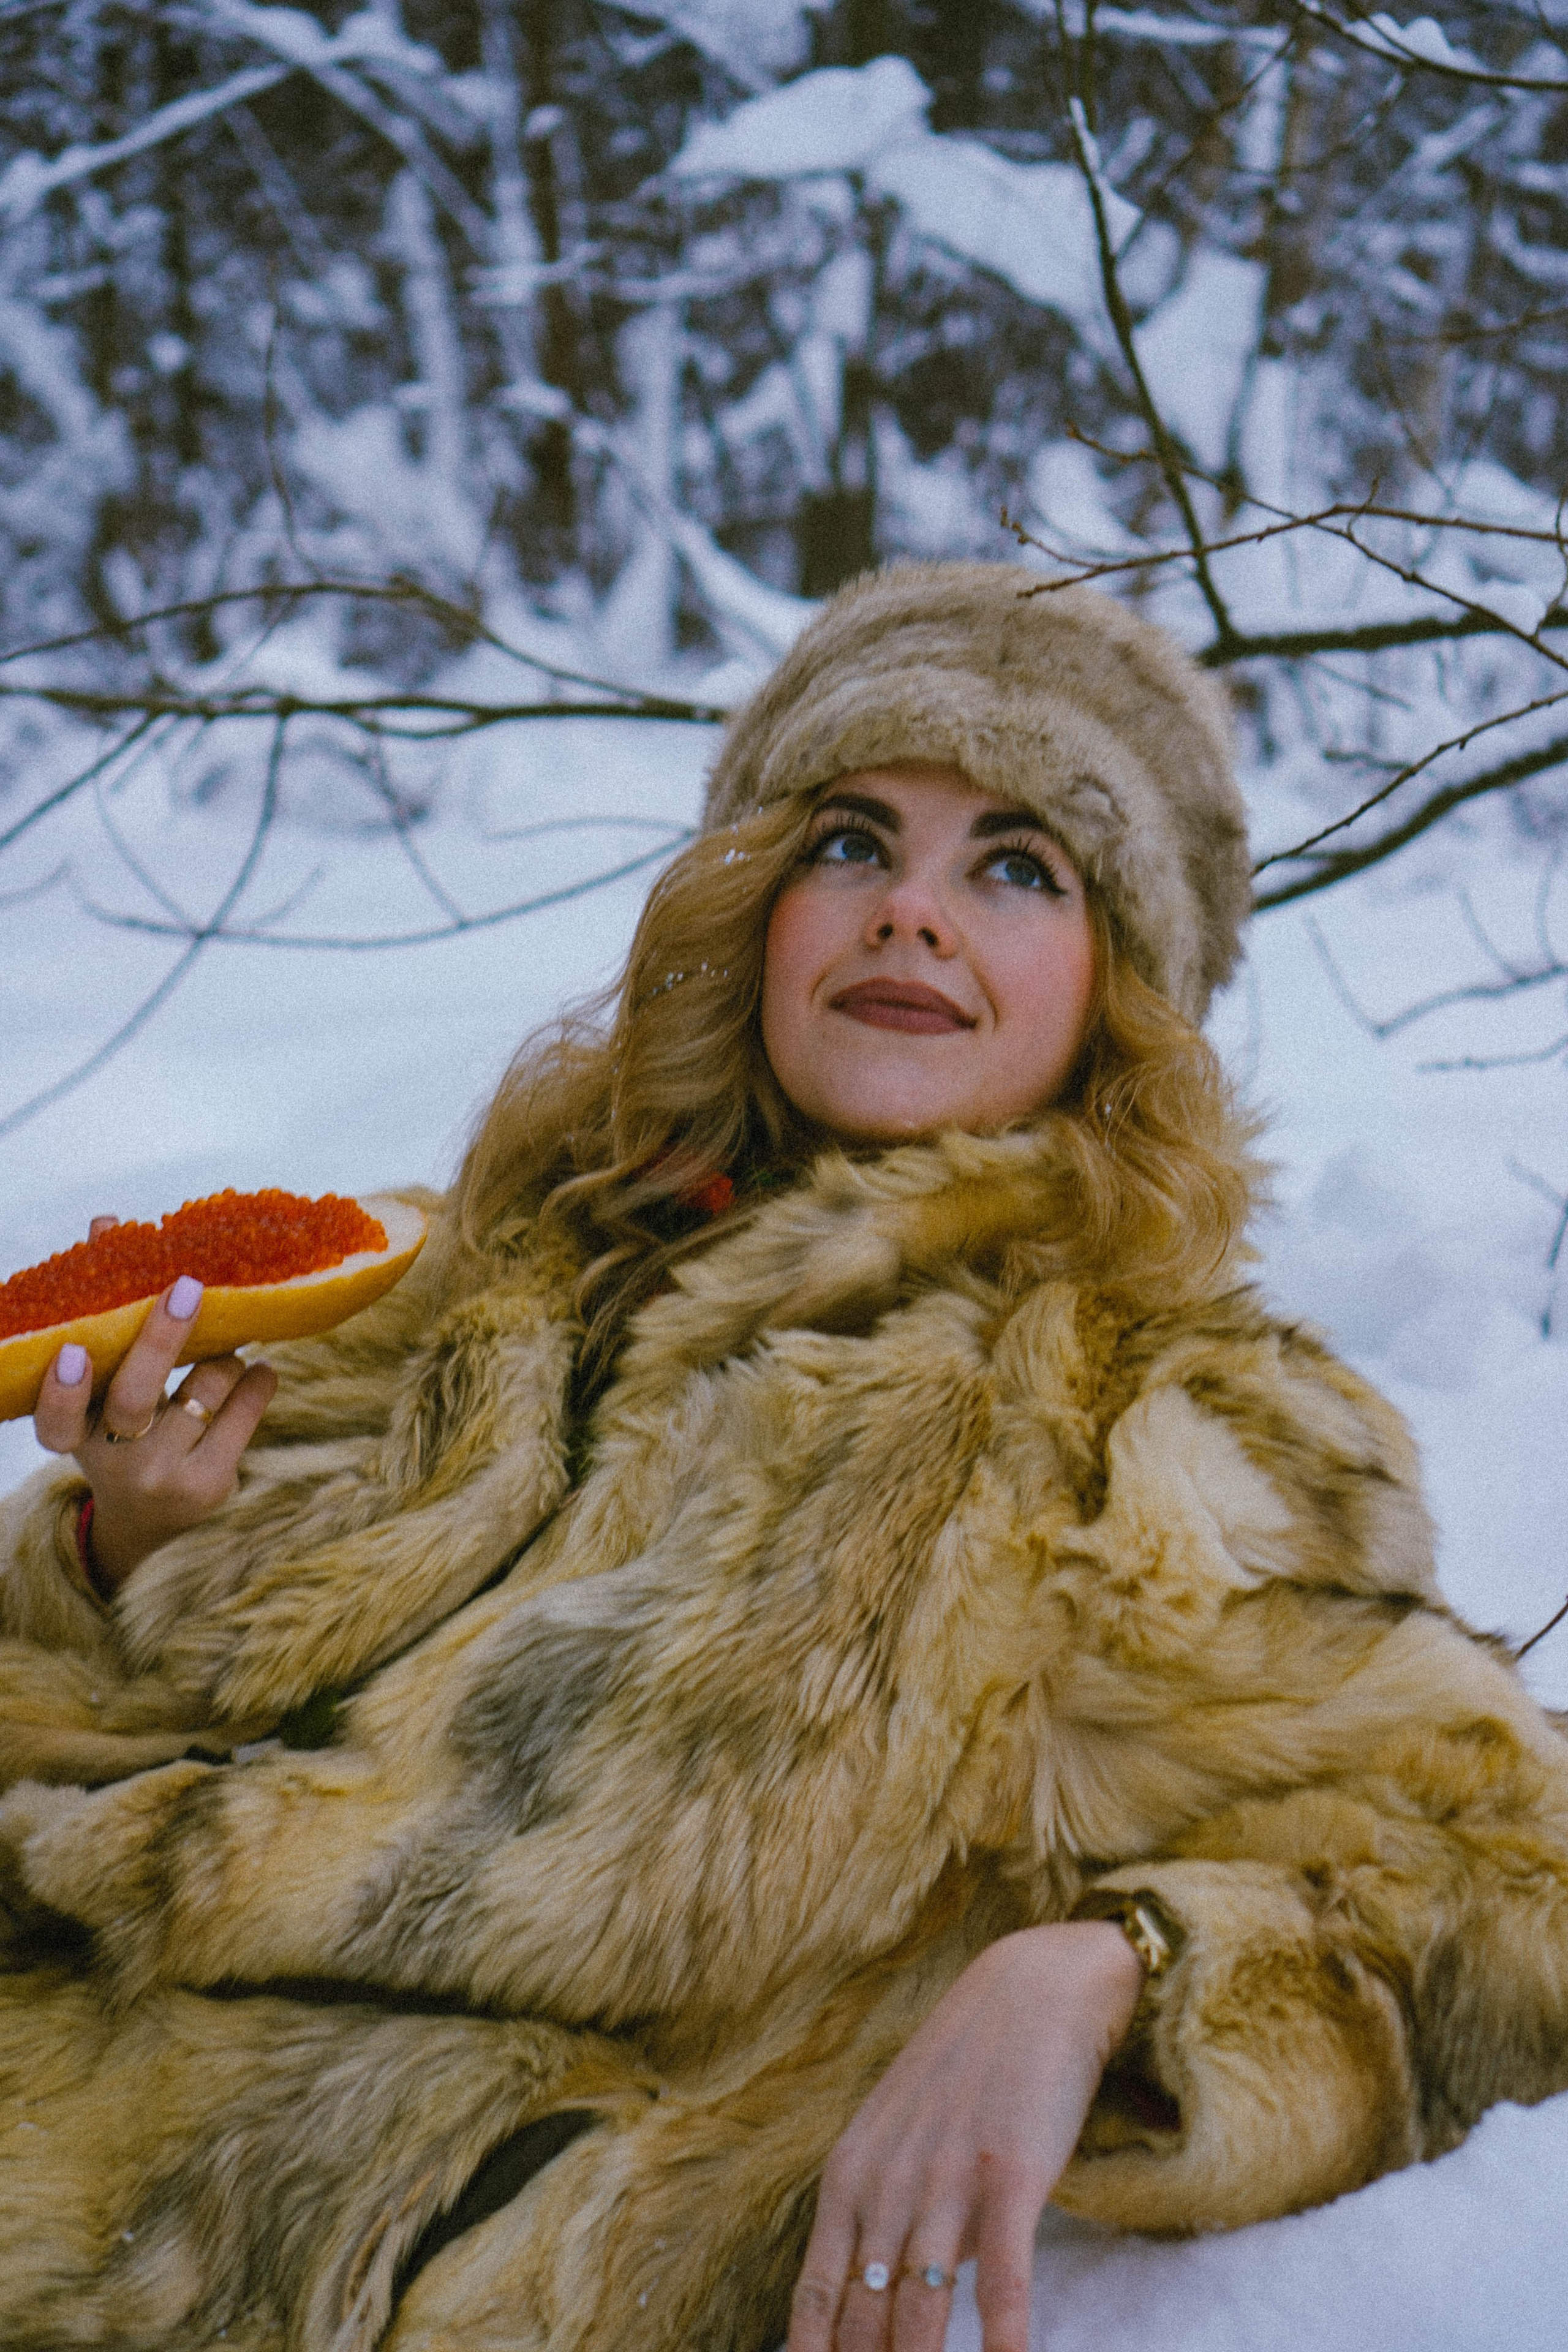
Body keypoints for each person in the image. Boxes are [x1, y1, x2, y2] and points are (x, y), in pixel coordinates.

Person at [1, 561, 1566, 2352]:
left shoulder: (1155, 1419)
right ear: (754, 902)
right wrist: (125, 1546)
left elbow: (1498, 1892)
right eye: (848, 842)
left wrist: (1107, 1973)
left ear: (1118, 987)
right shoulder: (484, 1268)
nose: (910, 914)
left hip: (349, 2271)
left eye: (1015, 868)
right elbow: (126, 1715)